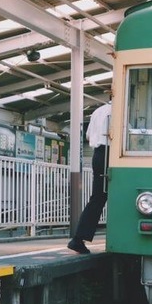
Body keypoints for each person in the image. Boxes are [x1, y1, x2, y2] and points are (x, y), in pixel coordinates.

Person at [68, 99, 111, 254]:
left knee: (98, 198)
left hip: (98, 155)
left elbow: (88, 136)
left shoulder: (97, 111)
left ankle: (78, 239)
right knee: (121, 197)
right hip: (111, 154)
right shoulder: (119, 111)